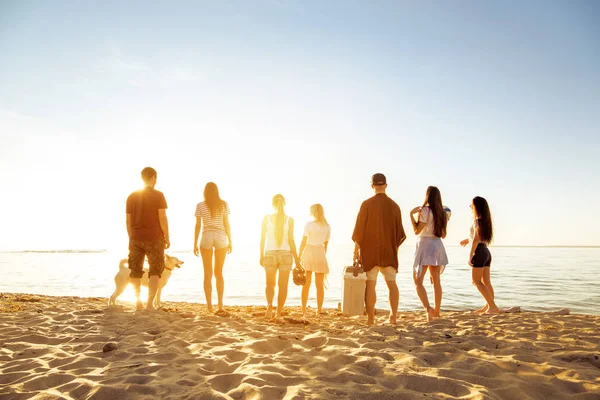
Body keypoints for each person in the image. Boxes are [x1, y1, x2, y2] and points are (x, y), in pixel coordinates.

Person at [352, 173, 406, 325]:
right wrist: (395, 252)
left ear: (372, 186)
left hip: (370, 251)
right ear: (386, 186)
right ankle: (393, 317)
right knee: (392, 284)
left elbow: (359, 232)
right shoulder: (395, 206)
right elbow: (399, 234)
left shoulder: (366, 204)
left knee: (371, 285)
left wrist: (356, 251)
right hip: (389, 252)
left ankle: (370, 319)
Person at [125, 167, 170, 311]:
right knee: (155, 271)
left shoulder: (132, 196)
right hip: (154, 238)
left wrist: (131, 237)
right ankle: (149, 304)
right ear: (153, 177)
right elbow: (162, 218)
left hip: (136, 238)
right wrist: (167, 237)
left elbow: (128, 221)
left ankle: (138, 303)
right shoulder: (159, 195)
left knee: (135, 271)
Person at [409, 186, 449, 322]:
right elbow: (443, 235)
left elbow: (416, 231)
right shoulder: (442, 213)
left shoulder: (426, 210)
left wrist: (411, 216)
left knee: (418, 281)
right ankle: (437, 311)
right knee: (436, 280)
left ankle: (428, 309)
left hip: (424, 245)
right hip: (437, 245)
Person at [260, 194, 301, 319]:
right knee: (283, 285)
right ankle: (278, 313)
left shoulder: (266, 219)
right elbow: (291, 240)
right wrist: (297, 260)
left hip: (270, 254)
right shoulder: (289, 220)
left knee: (269, 284)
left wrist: (261, 255)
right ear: (284, 203)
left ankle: (269, 306)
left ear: (273, 204)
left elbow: (262, 239)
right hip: (285, 254)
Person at [193, 182, 232, 314]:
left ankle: (209, 306)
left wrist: (194, 243)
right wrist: (230, 241)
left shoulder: (200, 205)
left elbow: (198, 226)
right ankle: (220, 305)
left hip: (207, 236)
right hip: (221, 236)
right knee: (219, 273)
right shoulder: (224, 204)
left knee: (207, 274)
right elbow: (227, 224)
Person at [460, 196, 500, 314]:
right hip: (486, 252)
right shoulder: (485, 220)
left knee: (476, 281)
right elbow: (477, 237)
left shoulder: (477, 220)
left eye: (471, 205)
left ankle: (492, 306)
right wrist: (468, 240)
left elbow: (476, 239)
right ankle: (489, 306)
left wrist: (470, 254)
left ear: (477, 206)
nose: (470, 207)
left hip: (479, 252)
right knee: (486, 282)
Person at [298, 204, 331, 316]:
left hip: (309, 251)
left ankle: (303, 309)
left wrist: (299, 255)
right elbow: (326, 245)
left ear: (313, 212)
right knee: (319, 285)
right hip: (320, 253)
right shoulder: (327, 226)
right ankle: (319, 310)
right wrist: (322, 255)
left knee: (306, 283)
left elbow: (303, 241)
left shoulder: (309, 225)